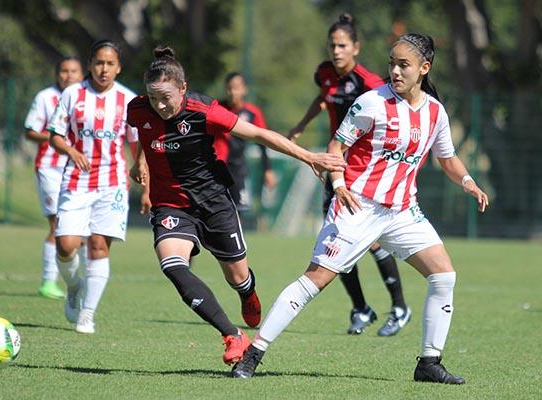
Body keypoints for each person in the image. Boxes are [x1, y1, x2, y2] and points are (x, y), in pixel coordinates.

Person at [232, 32, 489, 384]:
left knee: (444, 275)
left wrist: (468, 182)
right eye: (392, 64)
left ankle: (429, 363)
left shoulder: (434, 112)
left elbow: (447, 158)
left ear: (424, 68)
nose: (395, 71)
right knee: (316, 280)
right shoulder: (371, 103)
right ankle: (253, 353)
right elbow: (336, 148)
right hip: (358, 206)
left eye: (404, 65)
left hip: (401, 211)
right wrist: (338, 187)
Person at [127, 46, 345, 366]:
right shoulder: (138, 109)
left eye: (166, 97)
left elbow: (258, 134)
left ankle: (246, 292)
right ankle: (232, 334)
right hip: (171, 205)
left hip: (214, 202)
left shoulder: (204, 110)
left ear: (183, 89)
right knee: (173, 266)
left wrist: (309, 156)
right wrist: (139, 162)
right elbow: (147, 135)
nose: (159, 105)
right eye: (153, 97)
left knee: (237, 276)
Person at [288, 13, 411, 336]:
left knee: (371, 240)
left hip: (366, 168)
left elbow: (397, 113)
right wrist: (302, 124)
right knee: (335, 238)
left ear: (356, 48)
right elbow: (323, 99)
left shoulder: (369, 83)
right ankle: (361, 308)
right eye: (332, 45)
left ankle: (399, 306)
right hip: (336, 165)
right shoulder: (325, 74)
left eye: (342, 45)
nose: (337, 50)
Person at [47, 39, 138, 334]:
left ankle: (87, 313)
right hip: (76, 181)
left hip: (112, 184)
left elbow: (137, 142)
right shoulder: (73, 94)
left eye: (110, 64)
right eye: (99, 62)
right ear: (90, 65)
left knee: (99, 246)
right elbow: (56, 135)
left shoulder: (128, 100)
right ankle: (75, 286)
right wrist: (71, 152)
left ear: (119, 68)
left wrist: (143, 174)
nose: (104, 69)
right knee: (65, 244)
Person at [24, 56, 85, 300]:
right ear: (57, 73)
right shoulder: (45, 97)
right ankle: (48, 282)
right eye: (63, 71)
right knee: (58, 224)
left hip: (79, 169)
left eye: (74, 71)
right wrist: (57, 137)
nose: (68, 75)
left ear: (82, 74)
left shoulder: (87, 97)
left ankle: (78, 279)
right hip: (50, 168)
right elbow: (30, 131)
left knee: (79, 230)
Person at [220, 72, 277, 213]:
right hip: (216, 168)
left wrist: (268, 170)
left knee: (238, 211)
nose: (233, 92)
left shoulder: (252, 113)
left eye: (237, 88)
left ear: (245, 89)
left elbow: (263, 143)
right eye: (229, 88)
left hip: (238, 169)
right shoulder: (217, 109)